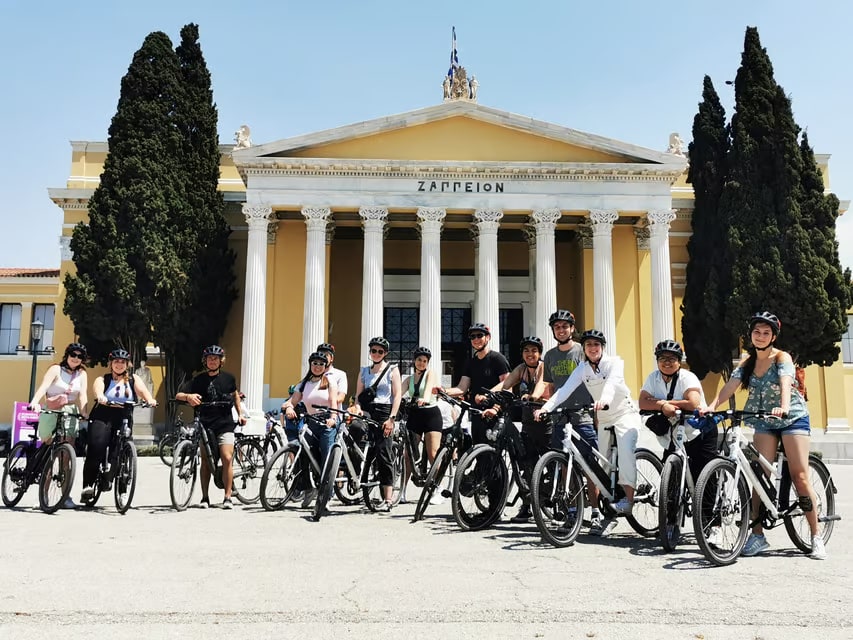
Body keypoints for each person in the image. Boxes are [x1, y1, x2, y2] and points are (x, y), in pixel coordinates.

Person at [702, 312, 826, 560]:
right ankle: (757, 535)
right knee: (758, 477)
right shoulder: (747, 362)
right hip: (763, 421)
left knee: (799, 476)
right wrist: (711, 405)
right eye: (757, 332)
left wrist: (784, 405)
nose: (760, 336)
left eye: (766, 333)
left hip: (791, 419)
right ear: (751, 335)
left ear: (773, 336)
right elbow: (730, 386)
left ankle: (816, 535)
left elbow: (785, 382)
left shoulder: (782, 357)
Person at [535, 330, 640, 524]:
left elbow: (612, 383)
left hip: (625, 413)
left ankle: (629, 500)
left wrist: (604, 400)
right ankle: (609, 509)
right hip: (605, 417)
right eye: (589, 345)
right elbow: (564, 390)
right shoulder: (583, 369)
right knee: (603, 465)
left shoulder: (615, 362)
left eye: (596, 345)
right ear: (584, 349)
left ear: (602, 347)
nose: (593, 348)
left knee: (625, 452)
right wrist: (545, 408)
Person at [529, 310, 604, 533]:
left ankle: (596, 512)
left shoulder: (582, 351)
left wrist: (598, 411)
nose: (561, 330)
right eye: (557, 327)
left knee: (590, 466)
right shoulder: (550, 356)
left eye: (565, 326)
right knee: (564, 466)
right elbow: (551, 387)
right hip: (561, 416)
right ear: (553, 331)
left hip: (584, 415)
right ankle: (572, 512)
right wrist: (543, 406)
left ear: (572, 328)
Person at [175, 345, 246, 510]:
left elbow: (235, 395)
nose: (212, 361)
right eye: (209, 358)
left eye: (216, 358)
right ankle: (205, 497)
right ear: (205, 361)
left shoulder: (229, 378)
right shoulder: (198, 380)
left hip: (225, 423)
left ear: (221, 361)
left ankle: (227, 497)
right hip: (205, 424)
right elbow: (179, 395)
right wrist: (188, 396)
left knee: (227, 457)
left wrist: (240, 413)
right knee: (206, 462)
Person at [82, 349, 158, 501]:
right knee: (97, 446)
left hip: (123, 416)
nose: (119, 364)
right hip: (103, 414)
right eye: (116, 361)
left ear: (127, 364)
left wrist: (150, 400)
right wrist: (101, 396)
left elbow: (143, 391)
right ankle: (88, 486)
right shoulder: (104, 378)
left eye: (122, 362)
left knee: (122, 450)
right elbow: (97, 388)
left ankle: (122, 490)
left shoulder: (133, 379)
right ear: (111, 363)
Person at [482, 336, 544, 523]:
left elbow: (542, 385)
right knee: (524, 462)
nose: (530, 354)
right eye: (526, 351)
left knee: (548, 462)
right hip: (527, 421)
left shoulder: (543, 367)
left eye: (533, 350)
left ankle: (558, 504)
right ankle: (527, 505)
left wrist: (533, 396)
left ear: (539, 353)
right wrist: (488, 395)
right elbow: (506, 384)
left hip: (545, 421)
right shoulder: (521, 369)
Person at [638, 340, 714, 484]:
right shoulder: (653, 378)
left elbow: (692, 403)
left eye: (672, 359)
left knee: (703, 481)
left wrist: (661, 403)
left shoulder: (687, 377)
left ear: (679, 362)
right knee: (669, 483)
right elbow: (642, 402)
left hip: (698, 432)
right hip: (674, 436)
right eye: (662, 358)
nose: (667, 362)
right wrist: (662, 406)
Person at [28, 342, 89, 508]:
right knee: (50, 450)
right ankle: (44, 495)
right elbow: (44, 387)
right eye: (73, 355)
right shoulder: (56, 369)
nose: (76, 358)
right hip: (52, 408)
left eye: (79, 356)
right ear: (67, 355)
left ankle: (65, 497)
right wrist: (34, 402)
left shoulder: (82, 374)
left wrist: (84, 412)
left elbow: (83, 394)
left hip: (70, 410)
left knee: (66, 457)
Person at [281, 350, 339, 510]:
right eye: (315, 363)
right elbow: (292, 400)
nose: (318, 367)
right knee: (303, 454)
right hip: (311, 421)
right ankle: (308, 488)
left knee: (326, 456)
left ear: (325, 366)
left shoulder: (329, 382)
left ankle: (326, 494)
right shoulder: (304, 383)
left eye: (321, 364)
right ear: (310, 365)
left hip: (327, 420)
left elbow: (334, 402)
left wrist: (333, 418)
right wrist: (288, 408)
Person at [437, 323, 510, 446]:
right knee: (479, 454)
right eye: (472, 336)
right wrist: (443, 390)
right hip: (477, 413)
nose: (476, 339)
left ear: (488, 337)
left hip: (495, 414)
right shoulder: (471, 362)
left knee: (492, 456)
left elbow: (508, 385)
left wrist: (495, 408)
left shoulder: (498, 359)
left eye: (479, 335)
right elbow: (462, 388)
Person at [352, 337, 402, 512]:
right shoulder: (364, 371)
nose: (376, 354)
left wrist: (391, 418)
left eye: (380, 351)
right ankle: (354, 471)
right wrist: (357, 407)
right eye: (373, 351)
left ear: (385, 353)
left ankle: (388, 498)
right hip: (367, 411)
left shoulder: (392, 370)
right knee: (354, 431)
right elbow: (358, 396)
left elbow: (397, 396)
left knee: (383, 452)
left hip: (384, 413)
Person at [401, 346, 442, 501]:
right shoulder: (409, 379)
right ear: (414, 361)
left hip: (431, 414)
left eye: (425, 361)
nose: (421, 363)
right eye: (419, 360)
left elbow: (429, 387)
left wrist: (424, 398)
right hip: (415, 415)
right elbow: (398, 394)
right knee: (408, 455)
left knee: (432, 453)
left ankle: (436, 488)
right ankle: (402, 491)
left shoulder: (430, 373)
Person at [316, 343, 347, 409]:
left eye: (326, 355)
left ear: (332, 358)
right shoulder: (313, 375)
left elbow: (341, 396)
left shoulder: (340, 374)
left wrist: (327, 403)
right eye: (321, 354)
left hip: (332, 413)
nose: (323, 357)